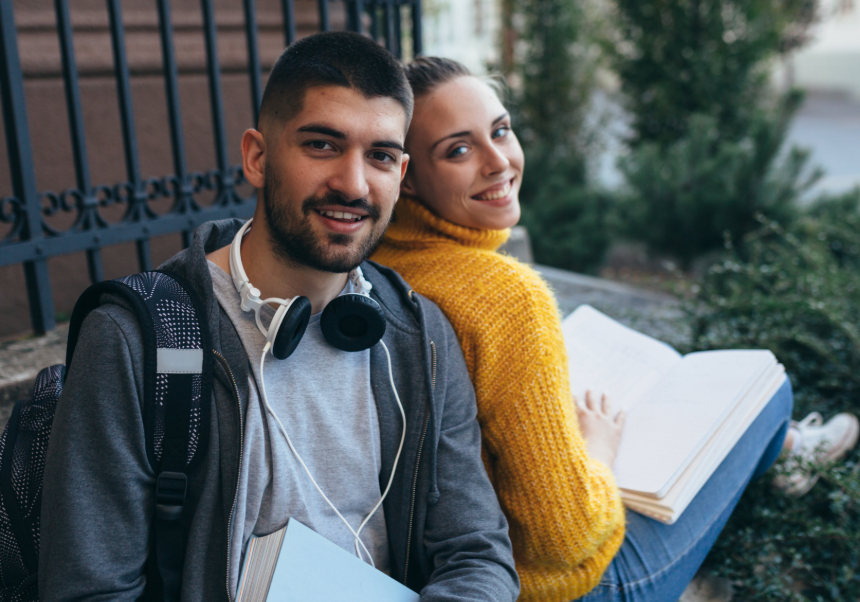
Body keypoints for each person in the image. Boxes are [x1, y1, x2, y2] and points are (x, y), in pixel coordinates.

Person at [39, 35, 519, 602]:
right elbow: (89, 590)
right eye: (322, 145)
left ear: (401, 172)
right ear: (258, 157)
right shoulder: (138, 340)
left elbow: (478, 554)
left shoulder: (419, 334)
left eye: (381, 156)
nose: (354, 184)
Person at [372, 56, 860, 601]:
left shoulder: (379, 265)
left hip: (445, 567)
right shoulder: (505, 299)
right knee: (769, 392)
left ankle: (788, 448)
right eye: (458, 150)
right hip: (572, 587)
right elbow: (565, 535)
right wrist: (598, 449)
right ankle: (784, 450)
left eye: (501, 131)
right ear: (407, 177)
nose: (499, 162)